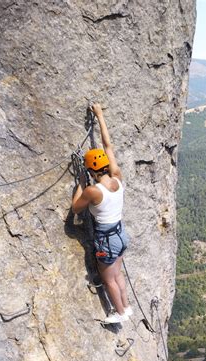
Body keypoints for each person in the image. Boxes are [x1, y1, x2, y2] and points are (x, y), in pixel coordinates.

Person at [72, 103, 132, 324]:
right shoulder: (117, 176)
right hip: (120, 234)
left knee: (109, 280)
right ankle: (126, 306)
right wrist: (100, 115)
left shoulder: (93, 191)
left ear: (90, 171)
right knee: (118, 274)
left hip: (106, 239)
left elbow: (76, 208)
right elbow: (108, 145)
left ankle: (119, 313)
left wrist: (80, 182)